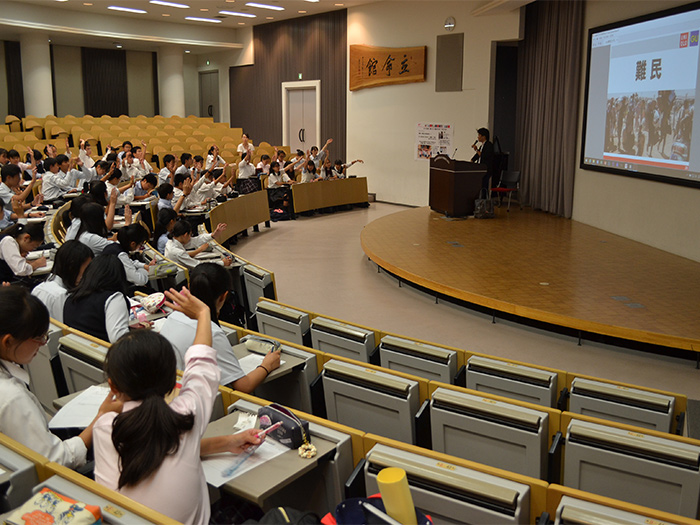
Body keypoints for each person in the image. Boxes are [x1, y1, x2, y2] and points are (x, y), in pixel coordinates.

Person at [94, 287, 262, 524]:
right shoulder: (185, 416)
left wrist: (228, 442)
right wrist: (204, 313)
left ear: (112, 386)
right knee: (251, 508)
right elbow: (200, 362)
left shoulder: (104, 428)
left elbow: (160, 448)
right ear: (173, 382)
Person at [0, 286, 121, 469]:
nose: (42, 345)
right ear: (8, 341)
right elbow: (55, 461)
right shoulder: (11, 398)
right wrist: (102, 417)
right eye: (39, 338)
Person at [160, 263, 281, 390]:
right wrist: (267, 365)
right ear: (224, 296)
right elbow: (243, 386)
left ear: (189, 288)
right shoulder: (213, 333)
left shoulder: (174, 316)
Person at [63, 255, 130, 343]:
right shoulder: (114, 298)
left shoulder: (71, 297)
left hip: (76, 352)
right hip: (103, 353)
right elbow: (119, 340)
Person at [32, 241, 93, 322]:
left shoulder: (38, 288)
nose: (87, 275)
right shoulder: (62, 296)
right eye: (86, 269)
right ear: (72, 267)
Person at [164, 220, 231, 270]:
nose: (190, 237)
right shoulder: (177, 252)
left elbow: (196, 240)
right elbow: (198, 265)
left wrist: (212, 235)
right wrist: (222, 263)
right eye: (190, 235)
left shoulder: (172, 241)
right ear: (185, 235)